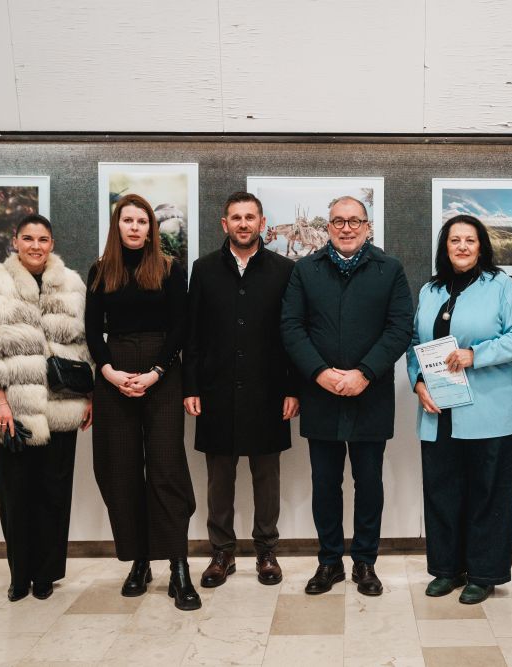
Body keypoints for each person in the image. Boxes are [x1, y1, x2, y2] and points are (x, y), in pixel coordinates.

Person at [280, 196, 413, 596]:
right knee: (325, 484)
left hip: (370, 395)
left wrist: (365, 373)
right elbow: (291, 326)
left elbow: (400, 328)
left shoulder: (390, 269)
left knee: (368, 482)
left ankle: (365, 562)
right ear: (328, 227)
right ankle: (329, 562)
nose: (347, 228)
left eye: (355, 221)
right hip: (321, 395)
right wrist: (319, 373)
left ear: (368, 227)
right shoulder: (306, 270)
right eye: (338, 221)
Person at [0, 214, 92, 602]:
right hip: (11, 409)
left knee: (54, 494)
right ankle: (20, 574)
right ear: (15, 241)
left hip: (60, 407)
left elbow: (84, 346)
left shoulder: (72, 285)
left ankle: (46, 574)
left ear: (52, 244)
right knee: (14, 494)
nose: (36, 246)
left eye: (43, 239)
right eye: (29, 238)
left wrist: (89, 397)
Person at [406, 214, 512, 604]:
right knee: (442, 492)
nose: (462, 246)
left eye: (470, 240)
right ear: (444, 247)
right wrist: (417, 382)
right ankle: (447, 570)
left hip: (489, 412)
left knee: (487, 494)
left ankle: (483, 574)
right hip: (439, 411)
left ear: (481, 247)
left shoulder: (500, 285)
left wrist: (475, 354)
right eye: (454, 240)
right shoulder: (430, 290)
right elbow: (413, 343)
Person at [86, 193, 200, 611]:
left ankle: (178, 565)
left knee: (167, 470)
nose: (134, 227)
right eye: (127, 220)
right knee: (121, 470)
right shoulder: (100, 270)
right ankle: (139, 561)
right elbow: (91, 330)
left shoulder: (170, 269)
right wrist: (109, 373)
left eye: (142, 221)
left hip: (162, 373)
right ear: (117, 226)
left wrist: (155, 372)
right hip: (114, 374)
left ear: (152, 228)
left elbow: (181, 327)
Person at [183, 192, 298, 588]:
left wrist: (293, 388)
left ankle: (266, 550)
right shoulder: (203, 269)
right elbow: (192, 334)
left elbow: (291, 334)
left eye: (250, 217)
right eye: (236, 217)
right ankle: (222, 552)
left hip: (269, 390)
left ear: (262, 223)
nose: (244, 223)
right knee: (219, 478)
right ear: (225, 224)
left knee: (267, 476)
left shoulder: (284, 270)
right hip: (215, 389)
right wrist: (191, 386)